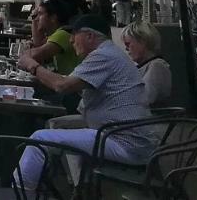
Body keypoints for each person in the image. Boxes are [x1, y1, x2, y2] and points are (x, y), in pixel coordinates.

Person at [15, 14, 155, 191]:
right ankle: (79, 186)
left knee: (39, 139)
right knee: (56, 126)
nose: (71, 40)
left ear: (90, 36)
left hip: (123, 141)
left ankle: (19, 191)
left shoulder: (103, 55)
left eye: (75, 34)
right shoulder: (109, 53)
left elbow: (61, 85)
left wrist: (32, 66)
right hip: (119, 133)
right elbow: (70, 81)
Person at [19, 0, 82, 76]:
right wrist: (34, 20)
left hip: (71, 86)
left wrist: (24, 52)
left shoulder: (63, 34)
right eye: (36, 15)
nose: (37, 18)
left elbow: (36, 55)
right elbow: (38, 44)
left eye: (40, 14)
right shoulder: (56, 34)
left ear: (53, 17)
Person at [122, 21, 173, 106]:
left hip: (147, 117)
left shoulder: (157, 67)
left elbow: (143, 98)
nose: (126, 49)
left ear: (142, 42)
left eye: (128, 44)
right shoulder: (147, 65)